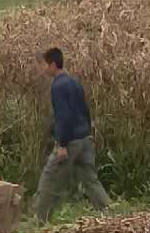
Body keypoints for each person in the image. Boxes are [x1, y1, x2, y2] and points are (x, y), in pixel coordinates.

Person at [34, 47, 111, 217]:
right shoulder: (74, 82)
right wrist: (88, 133)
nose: (43, 68)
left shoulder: (58, 86)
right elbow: (85, 110)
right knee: (91, 180)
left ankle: (39, 220)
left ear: (53, 65)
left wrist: (62, 145)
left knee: (49, 178)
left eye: (44, 64)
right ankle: (109, 212)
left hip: (70, 142)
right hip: (85, 139)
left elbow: (64, 116)